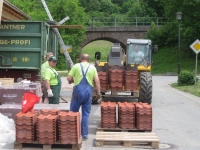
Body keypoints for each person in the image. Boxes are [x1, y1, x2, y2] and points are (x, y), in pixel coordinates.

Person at [67, 54, 101, 141]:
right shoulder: (93, 68)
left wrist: (72, 80)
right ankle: (84, 135)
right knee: (85, 114)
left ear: (81, 59)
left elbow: (68, 78)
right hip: (88, 92)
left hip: (77, 92)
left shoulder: (76, 66)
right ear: (89, 60)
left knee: (73, 113)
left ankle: (72, 133)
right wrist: (99, 93)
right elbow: (97, 81)